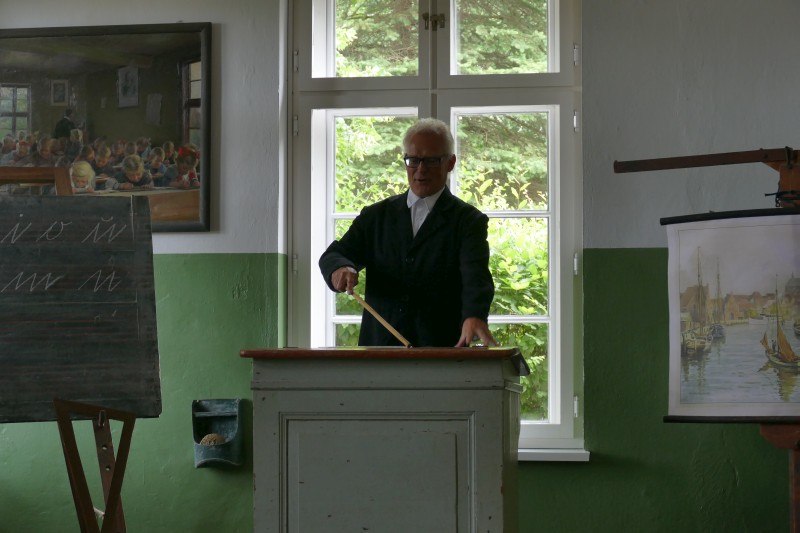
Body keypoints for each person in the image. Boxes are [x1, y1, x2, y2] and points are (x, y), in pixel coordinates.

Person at [319, 118, 496, 348]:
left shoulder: (468, 221)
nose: (421, 170)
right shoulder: (375, 216)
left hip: (440, 351)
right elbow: (335, 254)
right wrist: (341, 268)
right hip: (379, 351)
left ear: (450, 163)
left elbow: (476, 277)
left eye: (432, 161)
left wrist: (474, 315)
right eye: (413, 160)